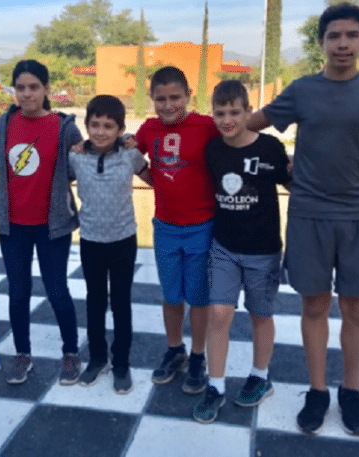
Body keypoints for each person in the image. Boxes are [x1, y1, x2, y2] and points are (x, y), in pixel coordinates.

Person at [247, 2, 359, 436]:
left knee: (356, 308)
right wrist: (218, 129)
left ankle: (350, 392)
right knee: (314, 305)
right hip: (308, 215)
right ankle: (317, 391)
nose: (343, 44)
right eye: (334, 36)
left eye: (352, 35)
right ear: (321, 42)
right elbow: (252, 123)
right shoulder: (302, 90)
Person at [192, 80, 291, 423]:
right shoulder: (213, 150)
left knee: (260, 315)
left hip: (263, 250)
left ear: (249, 111)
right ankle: (215, 385)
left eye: (235, 112)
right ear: (213, 115)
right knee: (219, 314)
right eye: (220, 113)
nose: (227, 119)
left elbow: (293, 183)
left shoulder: (270, 148)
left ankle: (260, 376)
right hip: (224, 247)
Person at [0, 60, 82, 385]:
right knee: (18, 293)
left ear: (46, 90)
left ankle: (70, 352)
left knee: (57, 290)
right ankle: (22, 354)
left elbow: (77, 168)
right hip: (13, 225)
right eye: (20, 88)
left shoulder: (64, 127)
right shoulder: (5, 123)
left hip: (52, 225)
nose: (26, 94)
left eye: (33, 87)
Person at [135, 66, 220, 395]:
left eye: (175, 98)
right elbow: (130, 153)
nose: (168, 105)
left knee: (198, 296)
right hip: (165, 227)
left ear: (188, 96)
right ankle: (175, 349)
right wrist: (150, 177)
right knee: (171, 295)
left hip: (202, 226)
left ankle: (198, 355)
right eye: (161, 99)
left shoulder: (206, 126)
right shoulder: (149, 128)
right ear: (151, 99)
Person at [68, 95, 151, 394]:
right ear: (86, 125)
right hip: (91, 241)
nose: (100, 131)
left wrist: (134, 142)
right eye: (95, 125)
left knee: (120, 303)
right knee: (94, 302)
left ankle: (121, 363)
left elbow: (154, 179)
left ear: (120, 129)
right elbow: (57, 181)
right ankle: (97, 359)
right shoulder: (76, 157)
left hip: (123, 240)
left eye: (108, 126)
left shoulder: (129, 155)